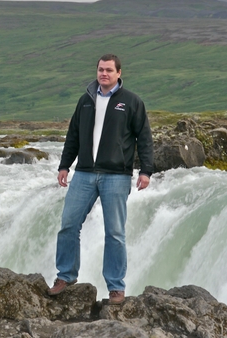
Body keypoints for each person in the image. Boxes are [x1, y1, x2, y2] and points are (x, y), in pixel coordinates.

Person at [48, 54, 154, 304]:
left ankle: (116, 287)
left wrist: (146, 170)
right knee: (68, 225)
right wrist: (65, 165)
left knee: (115, 232)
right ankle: (65, 276)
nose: (103, 74)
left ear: (119, 73)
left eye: (108, 70)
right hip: (84, 173)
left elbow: (145, 138)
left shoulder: (131, 102)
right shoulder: (85, 101)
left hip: (116, 176)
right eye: (100, 70)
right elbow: (73, 135)